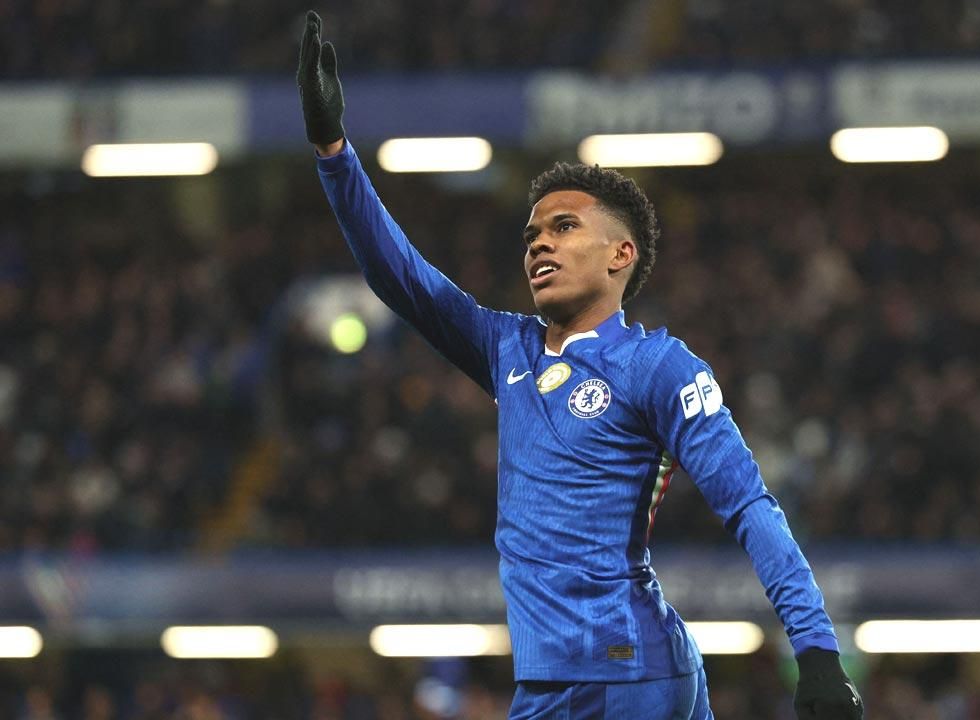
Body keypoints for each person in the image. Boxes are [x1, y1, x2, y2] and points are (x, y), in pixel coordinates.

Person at [297, 11, 863, 720]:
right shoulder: (507, 349)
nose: (539, 243)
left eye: (564, 227)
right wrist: (334, 151)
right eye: (531, 233)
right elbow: (400, 276)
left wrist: (816, 652)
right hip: (551, 684)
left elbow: (750, 505)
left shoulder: (659, 367)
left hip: (631, 675)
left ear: (621, 254)